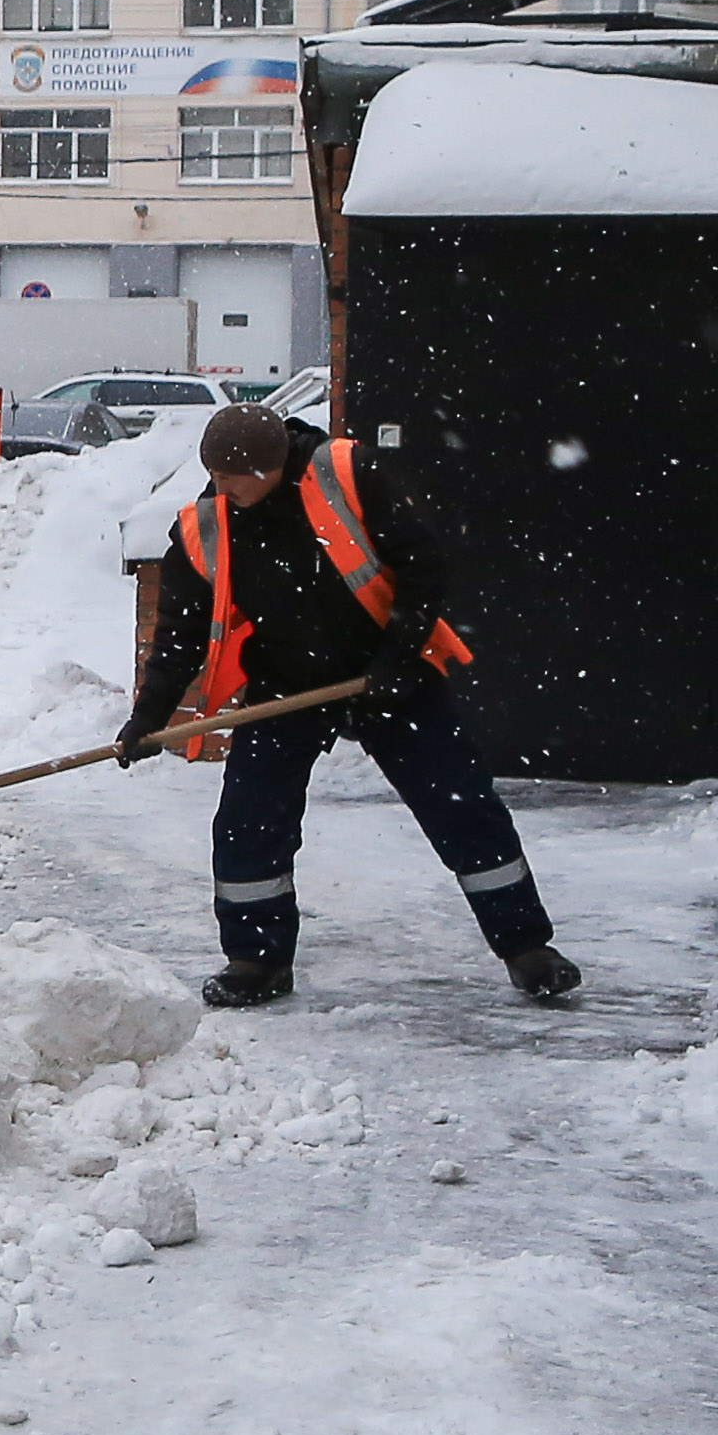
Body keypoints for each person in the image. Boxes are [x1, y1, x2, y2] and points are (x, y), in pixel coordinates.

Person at [119, 403, 581, 1010]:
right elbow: (178, 635)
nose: (221, 492)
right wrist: (147, 718)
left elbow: (423, 565)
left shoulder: (347, 475)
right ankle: (256, 961)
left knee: (462, 805)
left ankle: (527, 948)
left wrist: (395, 659)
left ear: (270, 469)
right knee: (249, 822)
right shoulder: (205, 526)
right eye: (215, 478)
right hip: (283, 689)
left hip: (389, 676)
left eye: (233, 480)